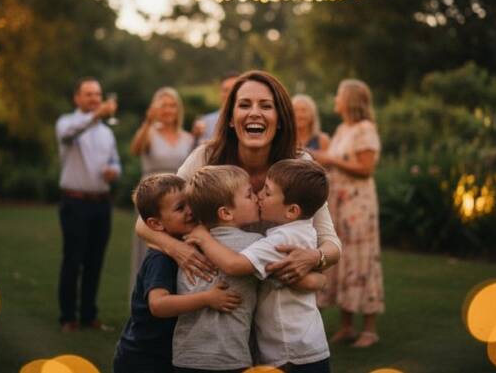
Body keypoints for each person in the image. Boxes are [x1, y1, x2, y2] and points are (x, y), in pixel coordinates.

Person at [135, 70, 342, 290]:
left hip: (274, 302)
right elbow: (145, 222)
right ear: (231, 120)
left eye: (265, 106)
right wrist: (178, 250)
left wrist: (315, 257)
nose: (254, 113)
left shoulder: (299, 163)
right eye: (244, 105)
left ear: (280, 119)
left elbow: (331, 243)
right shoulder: (206, 158)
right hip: (219, 296)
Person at [173, 165, 327, 372]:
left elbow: (234, 264)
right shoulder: (262, 241)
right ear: (226, 213)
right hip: (261, 351)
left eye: (266, 192)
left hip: (287, 349)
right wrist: (319, 280)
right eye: (250, 194)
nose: (258, 196)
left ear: (292, 210)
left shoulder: (190, 245)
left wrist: (203, 237)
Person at [113, 174, 242, 373]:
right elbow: (158, 305)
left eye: (190, 202)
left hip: (166, 354)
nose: (190, 210)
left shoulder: (191, 242)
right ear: (156, 224)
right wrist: (208, 298)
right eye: (180, 208)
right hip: (143, 358)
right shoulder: (161, 259)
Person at [312, 79, 384, 348]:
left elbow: (365, 168)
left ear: (351, 100)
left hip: (359, 204)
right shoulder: (343, 128)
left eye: (339, 95)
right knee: (343, 260)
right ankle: (346, 326)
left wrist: (329, 159)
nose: (335, 99)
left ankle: (369, 329)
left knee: (362, 259)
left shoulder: (365, 129)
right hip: (339, 202)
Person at [55, 77, 122, 332]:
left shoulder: (107, 132)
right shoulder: (67, 123)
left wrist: (114, 171)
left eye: (98, 94)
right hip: (75, 202)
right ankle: (67, 317)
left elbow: (116, 161)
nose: (95, 99)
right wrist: (96, 116)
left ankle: (88, 315)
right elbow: (68, 134)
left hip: (102, 204)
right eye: (89, 94)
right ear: (77, 98)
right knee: (73, 260)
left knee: (96, 261)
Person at [129, 87, 195, 294]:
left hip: (178, 198)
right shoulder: (148, 132)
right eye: (164, 105)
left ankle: (173, 294)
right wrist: (147, 122)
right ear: (155, 108)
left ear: (178, 109)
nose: (168, 109)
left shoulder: (187, 137)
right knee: (149, 245)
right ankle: (143, 295)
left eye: (172, 105)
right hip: (151, 195)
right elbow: (135, 150)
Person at [192, 72, 239, 145]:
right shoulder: (205, 122)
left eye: (234, 90)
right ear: (220, 93)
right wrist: (195, 138)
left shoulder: (250, 120)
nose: (229, 94)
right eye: (226, 90)